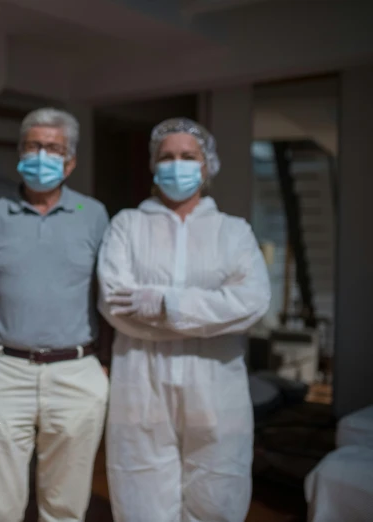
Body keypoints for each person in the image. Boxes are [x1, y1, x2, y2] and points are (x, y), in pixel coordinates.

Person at [97, 117, 272, 522]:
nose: (178, 165)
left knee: (218, 494)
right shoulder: (127, 225)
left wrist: (163, 303)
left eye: (188, 156)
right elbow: (116, 303)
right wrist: (212, 310)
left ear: (207, 165)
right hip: (141, 378)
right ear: (154, 165)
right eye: (168, 156)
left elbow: (253, 302)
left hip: (216, 382)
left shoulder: (234, 232)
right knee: (139, 493)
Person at [0, 108, 110, 522]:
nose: (42, 156)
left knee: (65, 504)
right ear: (19, 153)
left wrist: (105, 362)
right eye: (33, 146)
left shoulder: (94, 215)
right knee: (0, 503)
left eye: (53, 148)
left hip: (77, 371)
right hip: (4, 370)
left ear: (71, 161)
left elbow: (109, 295)